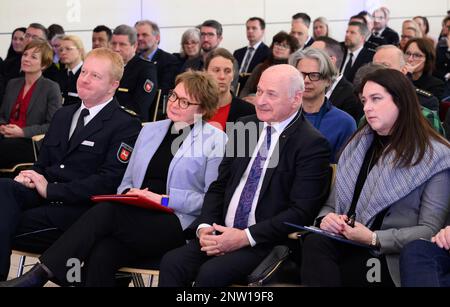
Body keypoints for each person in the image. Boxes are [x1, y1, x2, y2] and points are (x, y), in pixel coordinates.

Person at [0, 70, 227, 287]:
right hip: (135, 214)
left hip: (176, 222)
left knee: (107, 211)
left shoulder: (215, 139)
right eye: (174, 96)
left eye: (185, 102)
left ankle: (41, 274)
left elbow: (210, 200)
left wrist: (163, 199)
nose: (175, 103)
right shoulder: (151, 130)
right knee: (103, 252)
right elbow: (126, 181)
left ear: (203, 108)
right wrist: (130, 196)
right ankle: (44, 274)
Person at [158, 64, 331, 287]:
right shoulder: (245, 127)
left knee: (211, 273)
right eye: (259, 91)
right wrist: (205, 228)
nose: (260, 100)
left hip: (264, 241)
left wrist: (244, 237)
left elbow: (300, 212)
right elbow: (219, 186)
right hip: (221, 232)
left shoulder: (311, 144)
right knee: (173, 263)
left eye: (271, 94)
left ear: (296, 99)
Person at [0, 47, 142, 281]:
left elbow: (108, 182)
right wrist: (30, 176)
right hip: (42, 197)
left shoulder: (125, 124)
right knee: (5, 187)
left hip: (78, 209)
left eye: (95, 76)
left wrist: (51, 189)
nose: (84, 79)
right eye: (84, 71)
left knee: (7, 218)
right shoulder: (64, 115)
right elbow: (43, 164)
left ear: (113, 85)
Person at [301, 69, 450, 287]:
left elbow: (429, 230)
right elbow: (331, 204)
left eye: (376, 99)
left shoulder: (435, 155)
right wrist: (327, 219)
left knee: (352, 268)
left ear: (401, 101)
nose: (367, 107)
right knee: (315, 242)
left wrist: (373, 238)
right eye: (364, 100)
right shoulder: (357, 144)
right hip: (347, 241)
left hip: (388, 254)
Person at [0, 39, 62, 169]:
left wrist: (22, 132)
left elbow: (53, 125)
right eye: (25, 54)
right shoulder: (13, 83)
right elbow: (3, 116)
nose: (26, 59)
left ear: (44, 65)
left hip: (31, 142)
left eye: (33, 57)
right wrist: (2, 126)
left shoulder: (51, 87)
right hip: (5, 137)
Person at [289, 48, 356, 163]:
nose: (306, 80)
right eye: (301, 74)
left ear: (329, 80)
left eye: (314, 75)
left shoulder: (344, 123)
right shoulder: (281, 115)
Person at [111, 24, 157, 122]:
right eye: (114, 44)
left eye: (122, 44)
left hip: (131, 124)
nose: (116, 49)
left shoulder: (146, 69)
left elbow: (139, 106)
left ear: (135, 46)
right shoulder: (107, 67)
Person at [239, 31, 299, 101]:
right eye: (277, 44)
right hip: (251, 103)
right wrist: (242, 101)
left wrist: (258, 99)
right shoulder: (260, 67)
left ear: (291, 51)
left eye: (284, 46)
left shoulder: (292, 72)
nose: (279, 47)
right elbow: (247, 89)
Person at [205, 48, 255, 131]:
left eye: (227, 71)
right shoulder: (193, 106)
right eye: (216, 70)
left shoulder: (248, 112)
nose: (222, 76)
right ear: (205, 73)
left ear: (233, 75)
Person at [57, 35, 85, 106]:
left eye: (68, 49)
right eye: (61, 50)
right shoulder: (59, 75)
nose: (63, 52)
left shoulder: (86, 74)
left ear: (80, 50)